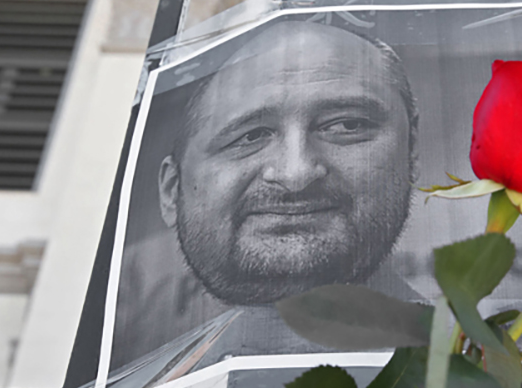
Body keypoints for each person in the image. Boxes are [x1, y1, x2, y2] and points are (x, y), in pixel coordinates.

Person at [111, 20, 421, 368]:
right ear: (172, 190)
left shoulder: (472, 371)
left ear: (411, 152)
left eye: (347, 125)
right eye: (251, 136)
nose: (296, 173)